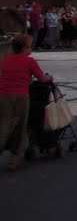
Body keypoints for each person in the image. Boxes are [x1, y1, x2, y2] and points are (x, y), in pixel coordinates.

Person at [0, 33, 53, 171]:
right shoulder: (29, 61)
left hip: (4, 95)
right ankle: (14, 159)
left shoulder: (6, 60)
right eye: (30, 46)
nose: (31, 48)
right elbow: (42, 78)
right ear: (24, 48)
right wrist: (50, 77)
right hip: (20, 96)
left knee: (4, 124)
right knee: (20, 126)